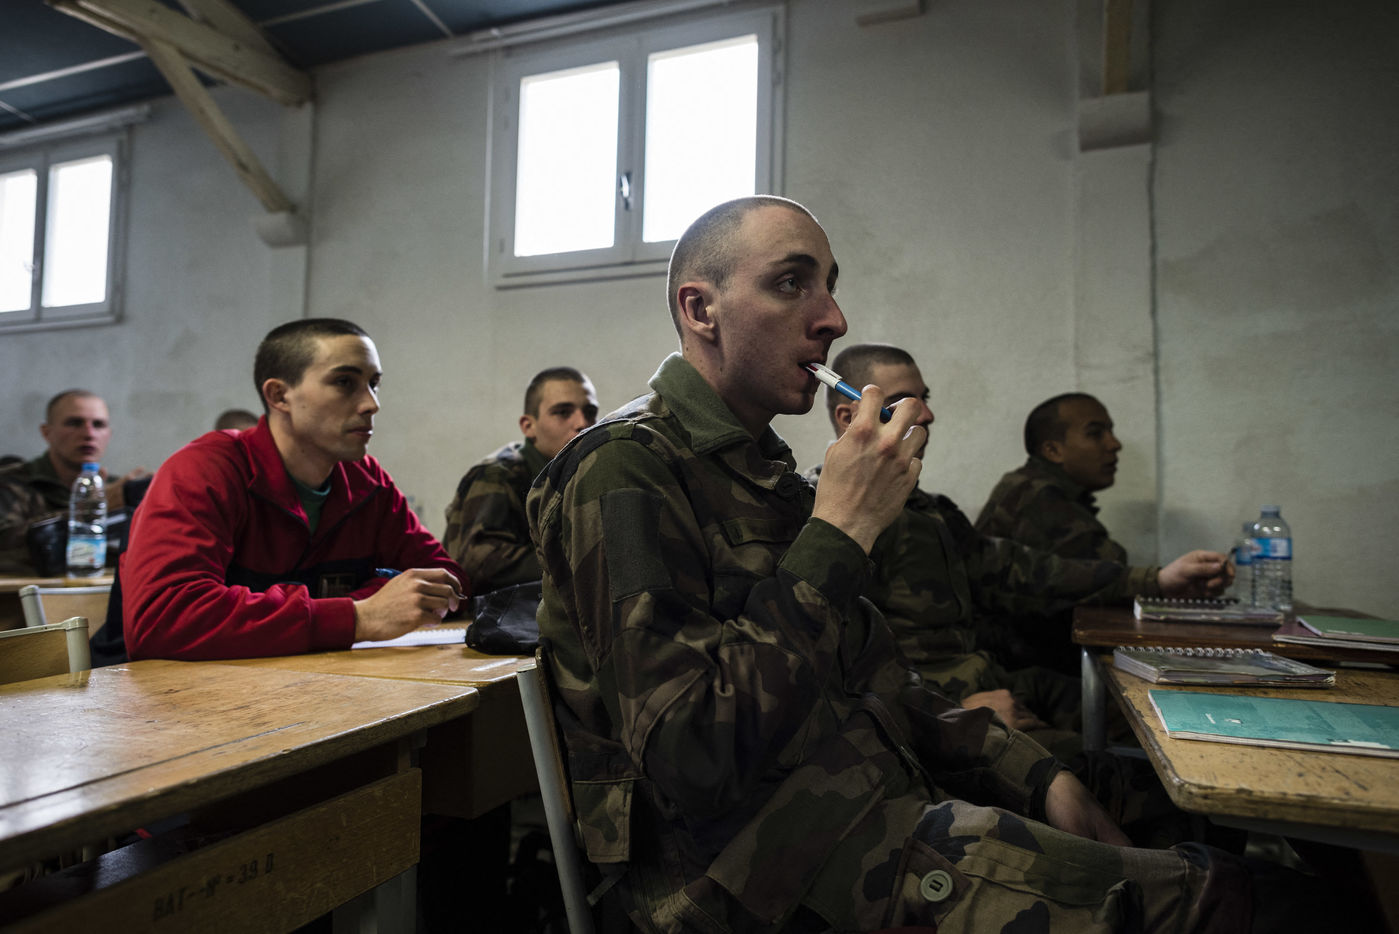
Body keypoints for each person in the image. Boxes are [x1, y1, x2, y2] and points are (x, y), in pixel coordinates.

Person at [527, 196, 1249, 932]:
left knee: (1190, 838)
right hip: (749, 878)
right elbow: (693, 751)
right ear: (700, 310)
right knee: (1222, 905)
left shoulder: (765, 476)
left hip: (872, 806)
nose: (833, 318)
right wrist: (841, 530)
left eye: (830, 286)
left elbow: (880, 680)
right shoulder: (623, 467)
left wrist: (1036, 775)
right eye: (790, 283)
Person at [815, 343, 1231, 722]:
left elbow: (1023, 569)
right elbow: (826, 661)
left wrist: (1157, 580)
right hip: (937, 710)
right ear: (850, 417)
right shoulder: (830, 518)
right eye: (904, 402)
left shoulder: (929, 510)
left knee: (1151, 711)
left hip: (990, 681)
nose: (926, 415)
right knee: (1120, 770)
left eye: (925, 398)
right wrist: (946, 716)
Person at [120, 318, 465, 660]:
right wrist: (358, 616)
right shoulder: (205, 470)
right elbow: (163, 620)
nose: (372, 404)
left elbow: (445, 577)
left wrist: (365, 607)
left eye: (374, 383)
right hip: (177, 692)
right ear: (279, 395)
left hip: (308, 683)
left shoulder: (366, 479)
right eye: (345, 382)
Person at [442, 366, 597, 594]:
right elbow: (480, 563)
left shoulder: (577, 475)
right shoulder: (498, 474)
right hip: (487, 612)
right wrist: (586, 561)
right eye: (563, 412)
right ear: (528, 426)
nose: (582, 423)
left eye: (590, 412)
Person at [0, 390, 148, 573]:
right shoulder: (11, 482)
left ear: (109, 434)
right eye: (74, 423)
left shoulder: (116, 490)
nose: (89, 433)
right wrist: (88, 510)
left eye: (98, 425)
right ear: (47, 432)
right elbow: (6, 545)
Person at [975, 393, 1130, 562]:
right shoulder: (1037, 495)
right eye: (1095, 433)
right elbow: (1110, 568)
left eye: (1110, 431)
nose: (1114, 444)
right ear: (1053, 451)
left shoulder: (1026, 483)